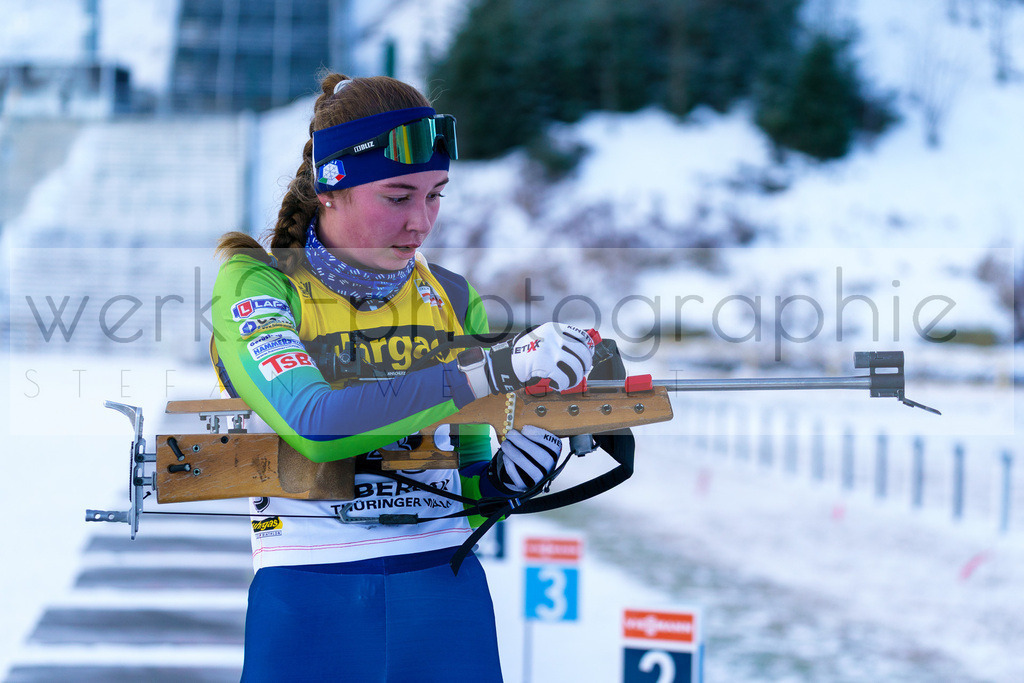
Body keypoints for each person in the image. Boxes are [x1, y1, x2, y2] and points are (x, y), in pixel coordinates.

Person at [210, 73, 596, 682]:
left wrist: (510, 474)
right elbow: (317, 423)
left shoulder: (451, 294)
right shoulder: (260, 284)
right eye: (397, 197)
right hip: (312, 593)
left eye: (436, 194)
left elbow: (470, 488)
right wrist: (490, 368)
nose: (422, 221)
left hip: (445, 591)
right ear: (330, 187)